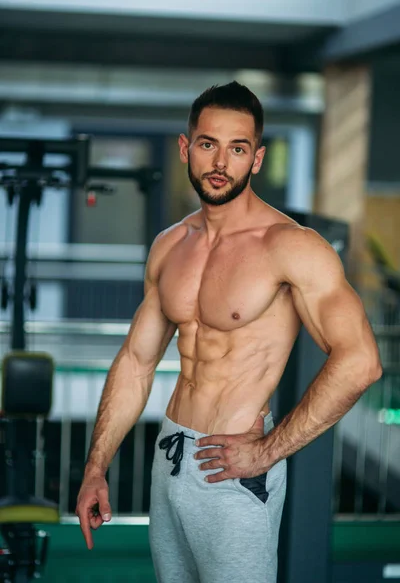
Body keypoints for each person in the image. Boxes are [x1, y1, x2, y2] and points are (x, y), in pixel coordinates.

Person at [75, 81, 382, 582]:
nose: (221, 162)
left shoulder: (291, 246)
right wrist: (95, 467)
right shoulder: (170, 244)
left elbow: (361, 361)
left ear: (256, 159)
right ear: (185, 148)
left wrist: (267, 451)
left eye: (238, 148)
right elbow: (137, 360)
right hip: (169, 455)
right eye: (208, 144)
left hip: (234, 469)